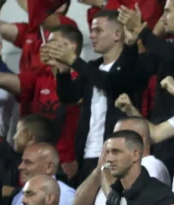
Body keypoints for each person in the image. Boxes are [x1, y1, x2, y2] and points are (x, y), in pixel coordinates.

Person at [48, 11, 145, 179]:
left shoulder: (131, 65)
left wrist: (74, 60)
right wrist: (63, 71)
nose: (92, 36)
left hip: (118, 155)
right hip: (88, 154)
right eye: (91, 31)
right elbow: (68, 96)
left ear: (117, 34)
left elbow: (110, 83)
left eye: (97, 30)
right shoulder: (93, 67)